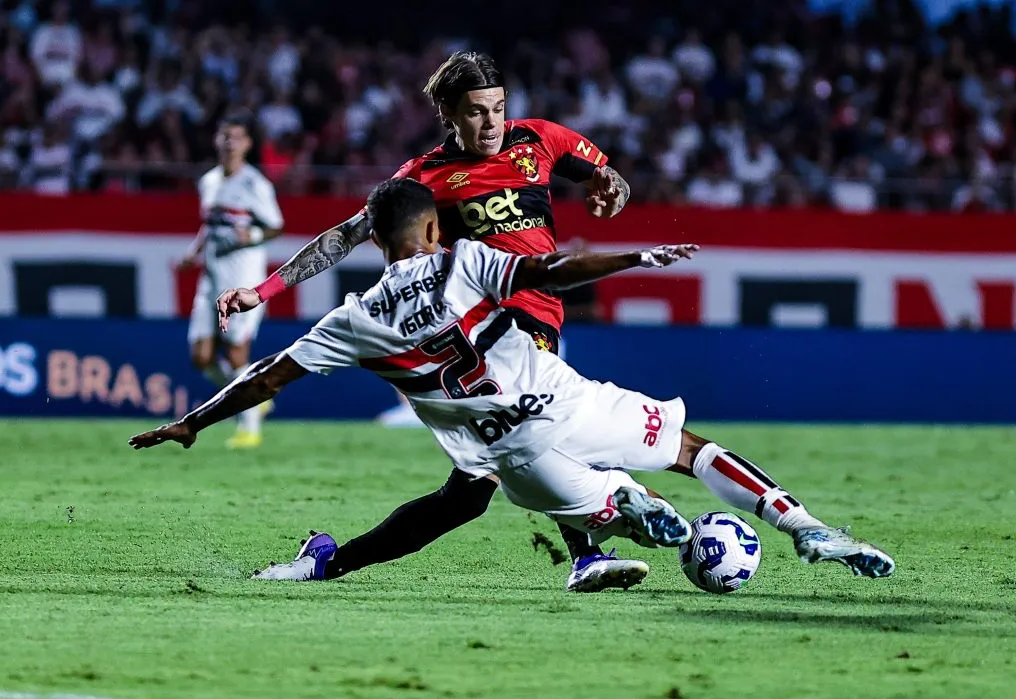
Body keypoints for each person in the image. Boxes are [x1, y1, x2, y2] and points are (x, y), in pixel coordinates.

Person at [130, 177, 896, 587]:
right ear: (433, 229)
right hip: (569, 398)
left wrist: (196, 419)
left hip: (511, 451)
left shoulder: (351, 320)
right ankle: (796, 521)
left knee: (515, 498)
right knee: (690, 447)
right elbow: (551, 270)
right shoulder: (463, 260)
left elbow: (269, 374)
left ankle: (622, 514)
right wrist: (632, 257)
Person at [216, 51, 645, 592]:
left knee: (464, 500)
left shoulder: (539, 139)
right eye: (475, 112)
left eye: (498, 108)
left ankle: (326, 561)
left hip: (542, 317)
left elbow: (608, 177)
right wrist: (263, 288)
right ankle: (590, 553)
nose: (491, 123)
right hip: (489, 327)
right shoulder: (424, 176)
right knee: (538, 433)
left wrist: (612, 189)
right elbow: (345, 235)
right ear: (447, 112)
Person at [179, 111, 284, 449]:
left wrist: (250, 234)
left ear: (248, 144)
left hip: (243, 280)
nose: (229, 143)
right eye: (225, 136)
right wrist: (194, 252)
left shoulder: (256, 184)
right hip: (210, 278)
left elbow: (275, 226)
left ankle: (250, 428)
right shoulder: (208, 181)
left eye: (237, 137)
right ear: (216, 140)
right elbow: (209, 223)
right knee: (201, 357)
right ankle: (255, 396)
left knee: (237, 353)